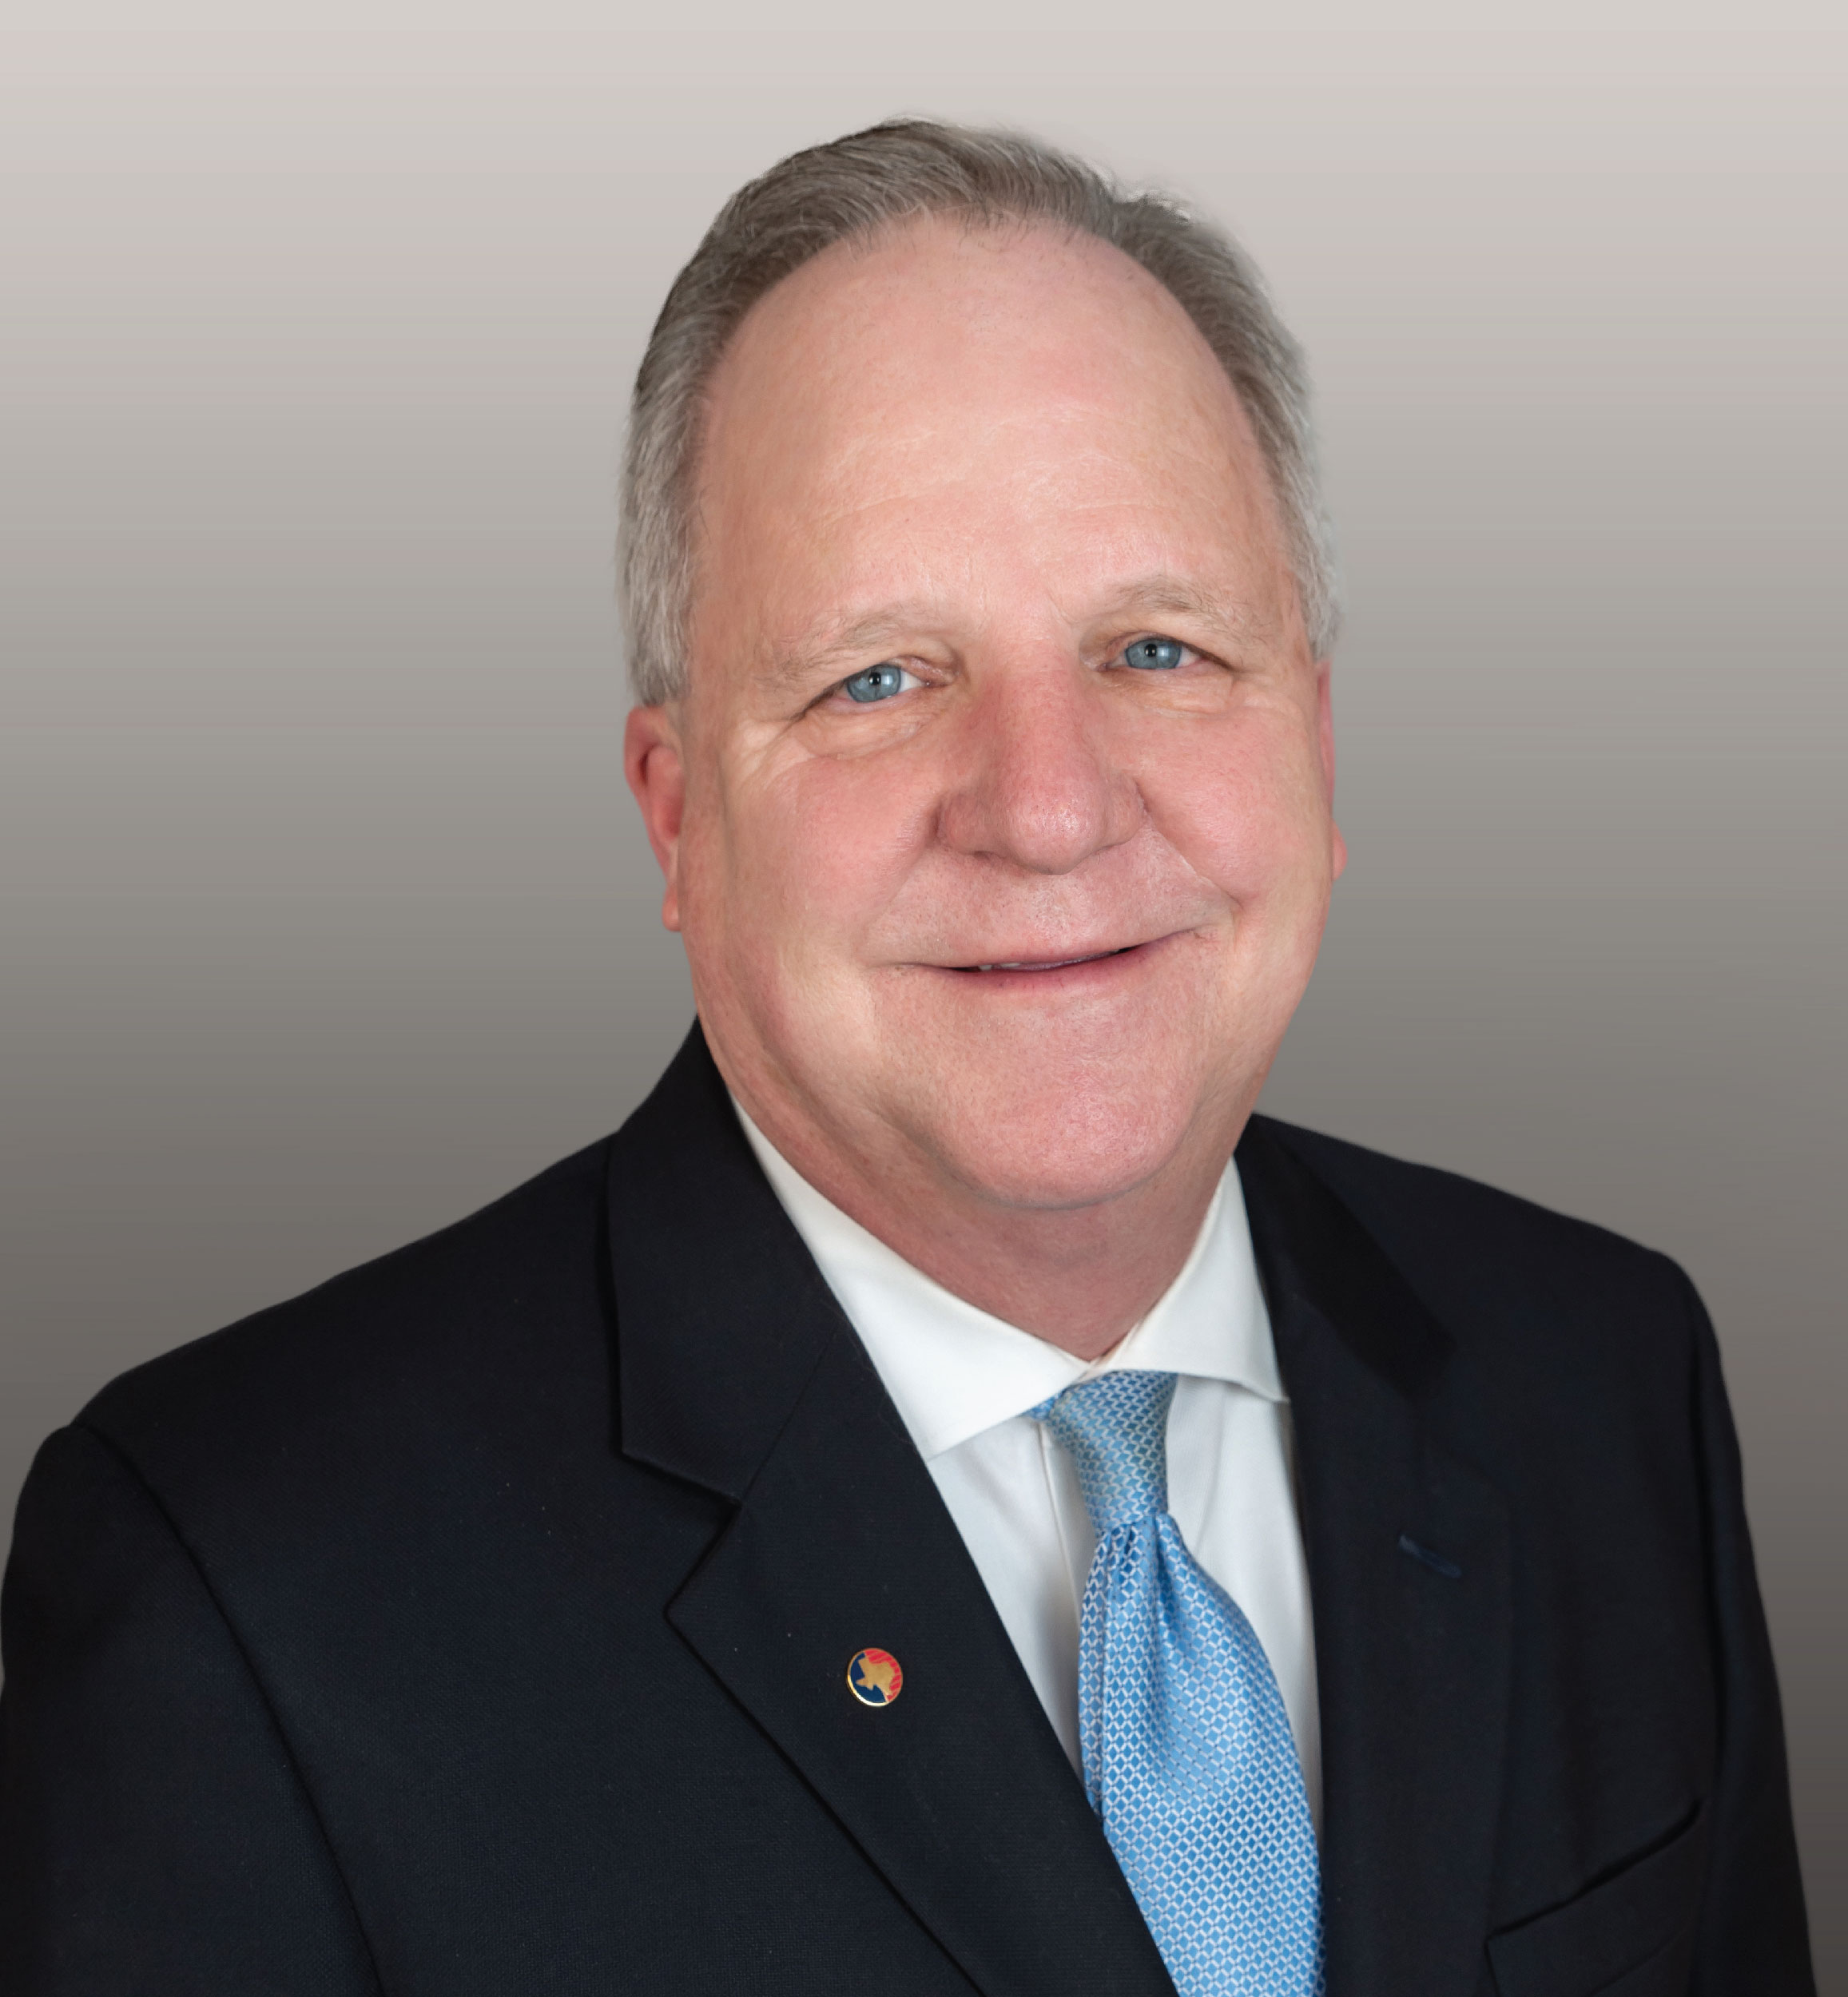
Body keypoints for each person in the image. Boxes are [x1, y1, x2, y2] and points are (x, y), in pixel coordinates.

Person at [0, 120, 1813, 1997]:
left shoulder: (1601, 1383)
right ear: (676, 815)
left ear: (1316, 740)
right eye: (877, 678)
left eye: (1158, 648)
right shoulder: (243, 1590)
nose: (1048, 807)